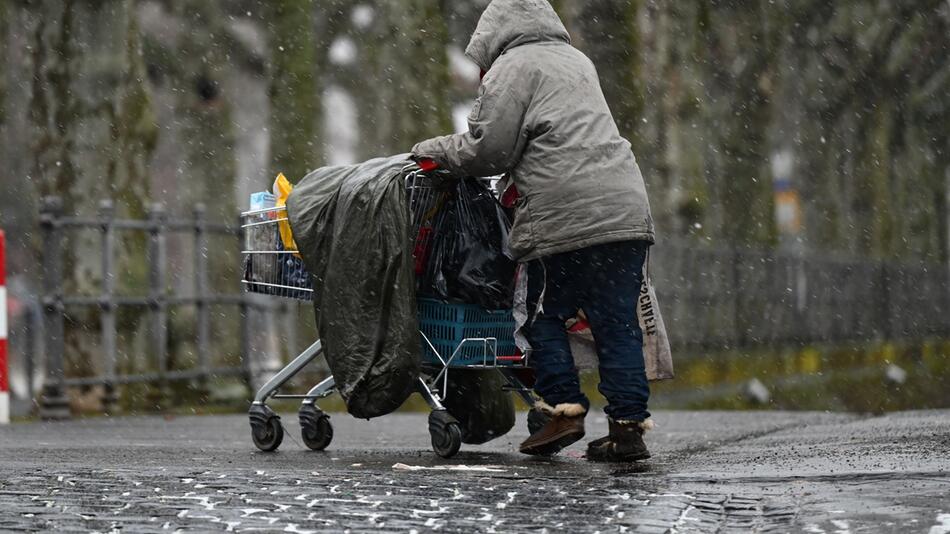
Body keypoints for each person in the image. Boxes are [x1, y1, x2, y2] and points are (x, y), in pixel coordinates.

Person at [412, 0, 655, 462]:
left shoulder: (512, 67)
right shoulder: (577, 60)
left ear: (491, 38)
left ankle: (562, 410)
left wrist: (433, 150)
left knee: (541, 316)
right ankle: (627, 430)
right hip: (626, 208)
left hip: (564, 211)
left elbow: (491, 150)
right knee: (616, 325)